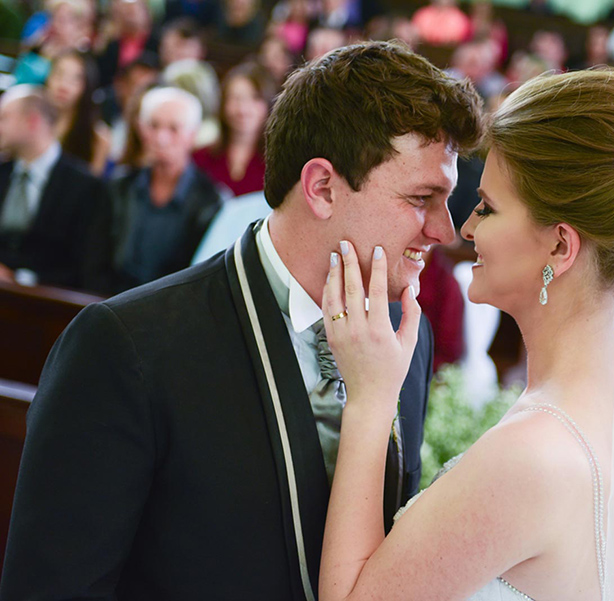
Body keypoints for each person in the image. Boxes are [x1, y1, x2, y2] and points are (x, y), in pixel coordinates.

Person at [1, 41, 483, 601]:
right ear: (322, 187)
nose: (444, 231)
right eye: (423, 197)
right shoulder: (126, 346)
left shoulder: (408, 335)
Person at [317, 68, 614, 600]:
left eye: (488, 208)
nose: (466, 228)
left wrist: (370, 400)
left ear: (559, 247)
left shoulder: (532, 458)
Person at [104, 86, 221, 292]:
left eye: (173, 129)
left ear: (192, 135)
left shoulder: (212, 201)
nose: (161, 138)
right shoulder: (119, 187)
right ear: (141, 128)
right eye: (153, 126)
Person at [0, 85, 109, 291]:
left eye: (4, 117)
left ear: (31, 121)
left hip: (48, 302)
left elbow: (86, 264)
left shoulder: (85, 186)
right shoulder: (3, 172)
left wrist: (20, 279)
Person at [193, 63, 274, 197]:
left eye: (254, 98)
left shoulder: (277, 163)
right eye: (235, 98)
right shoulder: (201, 159)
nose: (243, 109)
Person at [45, 50, 111, 176]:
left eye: (75, 79)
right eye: (59, 74)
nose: (63, 85)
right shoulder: (32, 120)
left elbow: (89, 188)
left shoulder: (97, 137)